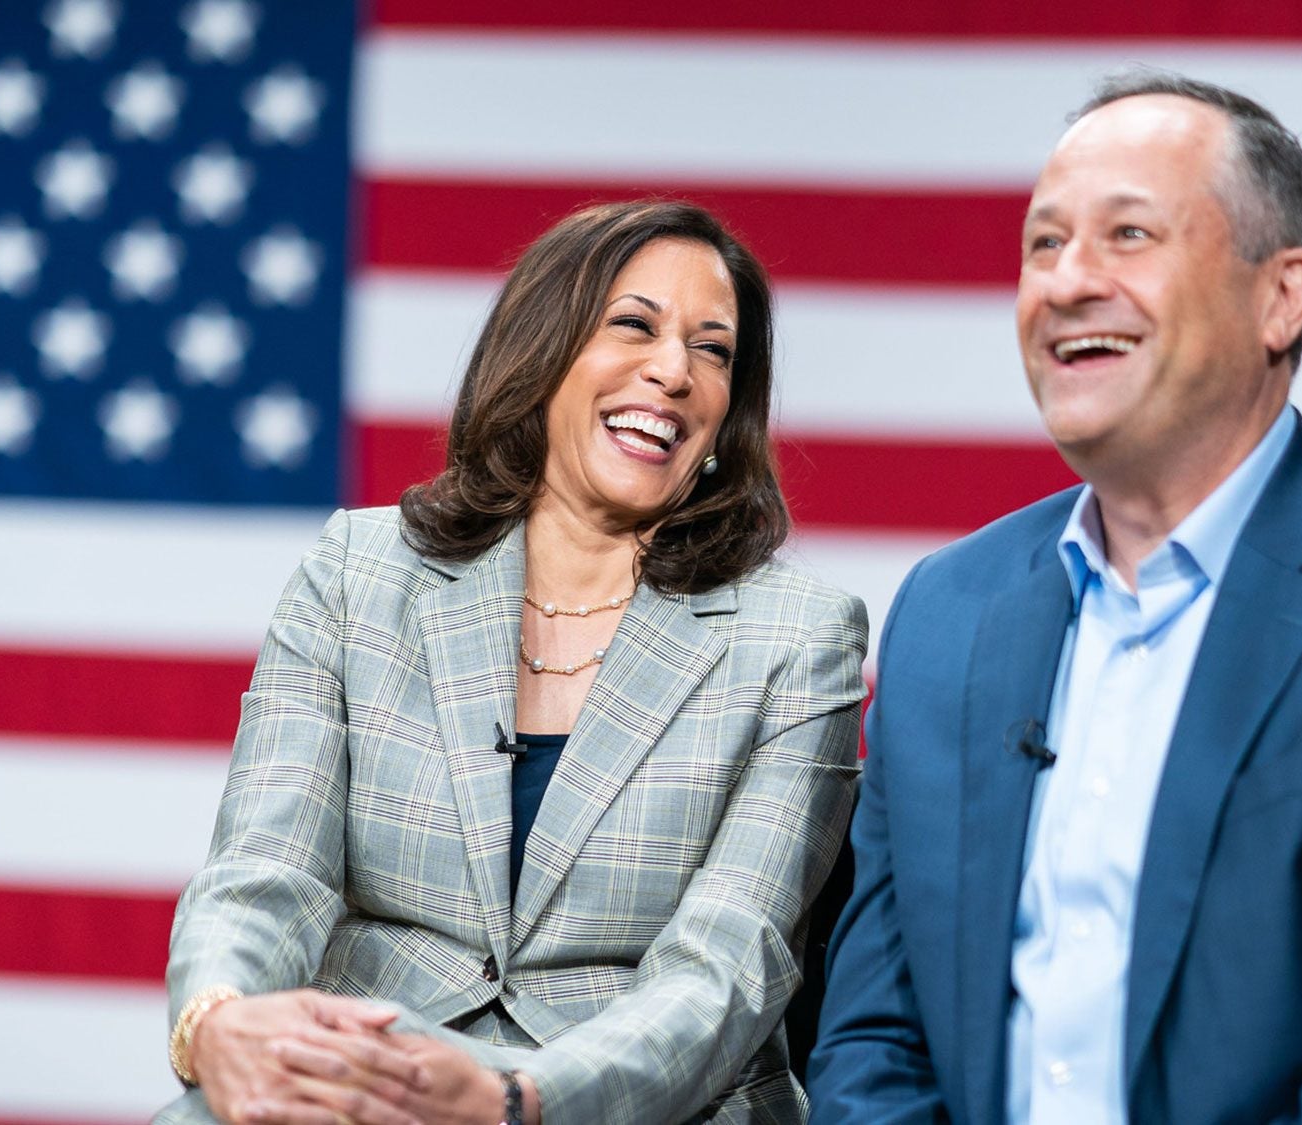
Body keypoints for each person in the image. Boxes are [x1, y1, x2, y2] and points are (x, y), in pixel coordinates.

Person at [806, 71, 1302, 1123]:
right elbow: (873, 1041)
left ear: (1280, 296)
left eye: (1128, 235)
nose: (1065, 281)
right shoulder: (946, 614)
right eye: (1041, 245)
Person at [159, 201, 868, 1125]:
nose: (673, 371)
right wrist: (219, 1024)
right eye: (635, 325)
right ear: (544, 351)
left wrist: (513, 1098)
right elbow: (266, 874)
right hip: (375, 1069)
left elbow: (726, 968)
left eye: (714, 351)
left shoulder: (801, 636)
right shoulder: (357, 573)